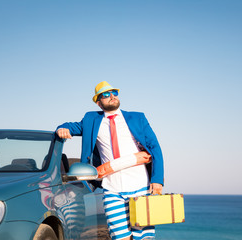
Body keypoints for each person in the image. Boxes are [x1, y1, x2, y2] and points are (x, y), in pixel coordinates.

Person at [56, 81, 164, 240]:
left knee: (144, 237)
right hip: (112, 189)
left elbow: (155, 147)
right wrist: (62, 127)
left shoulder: (137, 117)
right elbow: (71, 127)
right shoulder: (91, 119)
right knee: (119, 237)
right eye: (105, 94)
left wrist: (157, 180)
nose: (112, 96)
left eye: (114, 92)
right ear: (99, 102)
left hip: (141, 186)